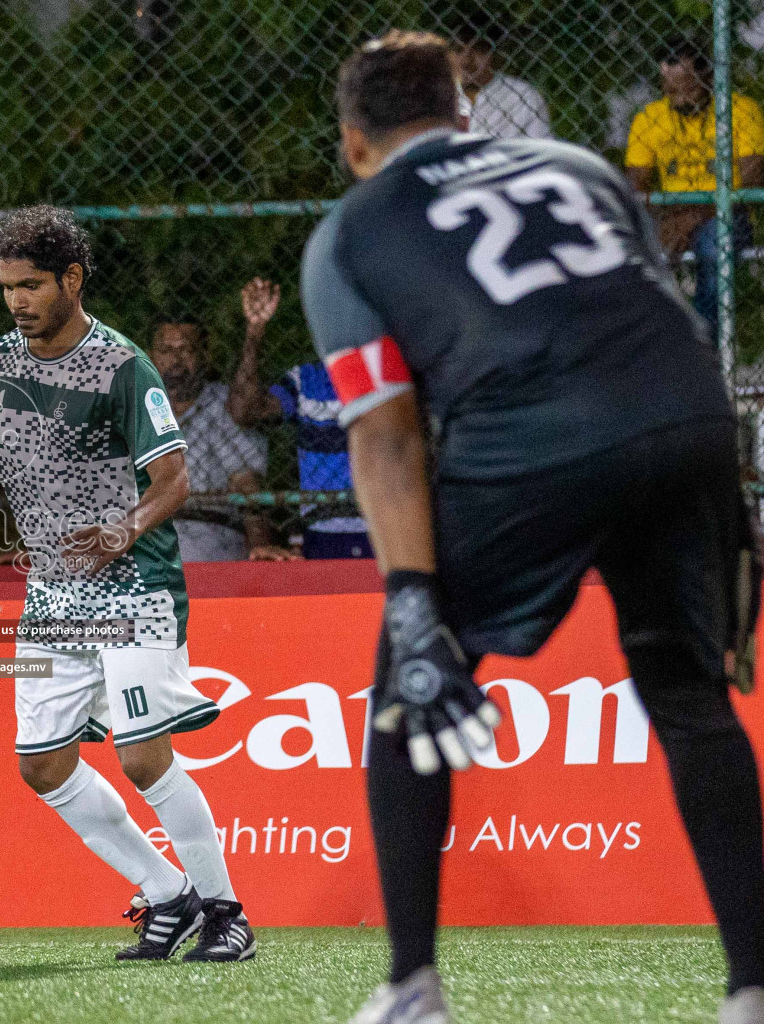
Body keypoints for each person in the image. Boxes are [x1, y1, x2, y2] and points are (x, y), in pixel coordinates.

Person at [305, 33, 764, 1024]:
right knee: (689, 695)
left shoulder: (352, 232)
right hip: (688, 420)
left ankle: (413, 987)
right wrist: (723, 500)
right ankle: (754, 989)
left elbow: (384, 436)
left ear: (353, 143)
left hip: (535, 435)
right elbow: (660, 321)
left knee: (406, 683)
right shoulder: (580, 166)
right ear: (463, 112)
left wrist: (416, 602)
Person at [0, 206, 256, 963]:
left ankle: (226, 915)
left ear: (72, 279)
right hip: (54, 598)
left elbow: (173, 481)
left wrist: (119, 530)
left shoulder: (122, 366)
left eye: (32, 285)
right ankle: (167, 896)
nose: (17, 301)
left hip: (134, 587)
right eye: (8, 287)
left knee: (142, 756)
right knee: (42, 766)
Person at [626, 37, 764, 334]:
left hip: (726, 217)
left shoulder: (741, 111)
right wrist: (665, 220)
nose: (680, 99)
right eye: (671, 90)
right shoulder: (649, 119)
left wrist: (692, 217)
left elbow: (750, 186)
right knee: (629, 246)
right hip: (672, 217)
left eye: (688, 88)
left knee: (714, 242)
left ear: (708, 77)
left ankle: (702, 344)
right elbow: (634, 188)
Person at [227, 279, 372, 559]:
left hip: (388, 524)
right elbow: (245, 411)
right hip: (323, 532)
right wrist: (255, 331)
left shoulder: (394, 371)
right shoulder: (307, 379)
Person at [146, 306, 291, 561]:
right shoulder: (134, 410)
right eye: (166, 351)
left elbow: (246, 482)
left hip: (213, 544)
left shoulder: (225, 407)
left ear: (205, 354)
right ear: (149, 356)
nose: (175, 361)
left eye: (186, 350)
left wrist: (260, 543)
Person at [452, 11, 553, 140]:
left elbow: (541, 147)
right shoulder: (438, 95)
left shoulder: (523, 95)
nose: (466, 60)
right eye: (458, 50)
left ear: (496, 56)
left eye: (478, 50)